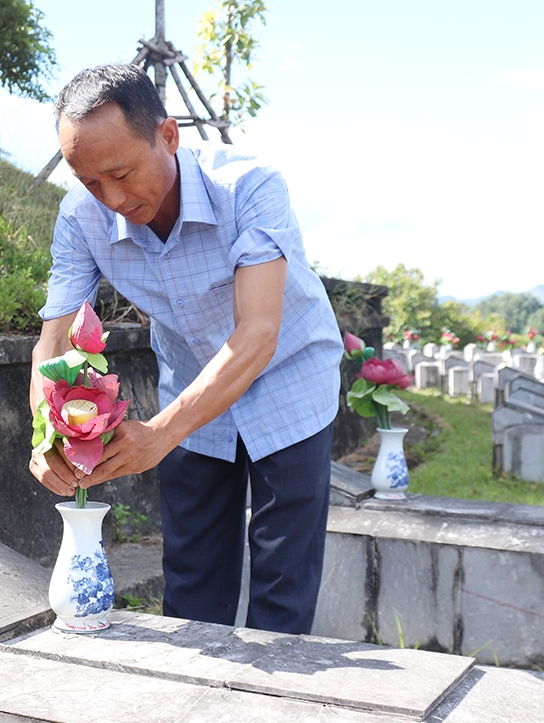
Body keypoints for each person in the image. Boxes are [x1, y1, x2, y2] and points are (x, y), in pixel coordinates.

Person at [28, 64, 342, 634]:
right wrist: (48, 434)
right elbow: (53, 339)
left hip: (288, 379)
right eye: (91, 182)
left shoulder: (249, 187)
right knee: (192, 577)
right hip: (191, 383)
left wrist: (162, 433)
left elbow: (258, 333)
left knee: (282, 577)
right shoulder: (81, 217)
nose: (113, 198)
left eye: (121, 173)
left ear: (168, 136)